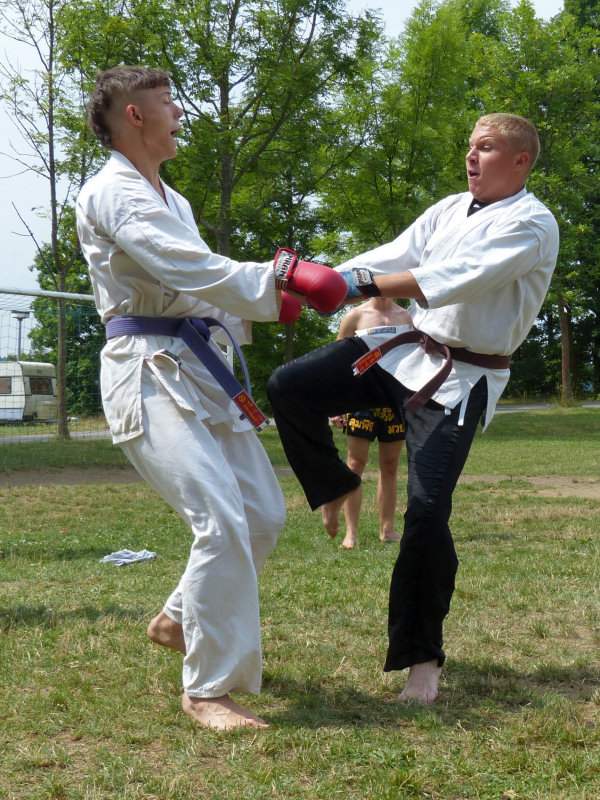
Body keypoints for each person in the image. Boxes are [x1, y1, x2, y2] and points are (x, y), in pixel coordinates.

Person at [75, 66, 344, 730]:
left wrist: (269, 299)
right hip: (146, 369)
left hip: (200, 364)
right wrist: (277, 279)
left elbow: (197, 288)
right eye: (167, 102)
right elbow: (185, 266)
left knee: (262, 514)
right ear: (133, 115)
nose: (179, 113)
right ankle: (206, 690)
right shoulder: (112, 191)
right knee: (220, 516)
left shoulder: (173, 198)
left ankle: (177, 620)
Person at [267, 113, 559, 703]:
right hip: (403, 351)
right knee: (290, 384)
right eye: (469, 146)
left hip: (461, 377)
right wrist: (314, 279)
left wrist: (357, 284)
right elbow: (394, 252)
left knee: (426, 513)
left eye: (485, 148)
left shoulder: (532, 223)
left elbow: (453, 278)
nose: (471, 156)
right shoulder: (450, 208)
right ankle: (335, 485)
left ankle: (422, 658)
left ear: (521, 160)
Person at [329, 297, 412, 549]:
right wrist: (337, 406)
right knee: (355, 465)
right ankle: (350, 533)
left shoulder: (407, 317)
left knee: (390, 465)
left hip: (394, 401)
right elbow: (337, 363)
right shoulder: (354, 316)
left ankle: (388, 529)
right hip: (361, 401)